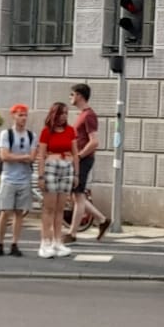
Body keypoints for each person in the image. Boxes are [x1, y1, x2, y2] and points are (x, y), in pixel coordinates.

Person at [33, 101, 77, 257]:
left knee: (60, 208)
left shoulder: (71, 130)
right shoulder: (47, 132)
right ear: (54, 114)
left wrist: (76, 174)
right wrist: (41, 175)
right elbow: (41, 155)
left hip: (66, 168)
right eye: (61, 113)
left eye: (66, 113)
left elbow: (75, 153)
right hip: (51, 167)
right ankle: (45, 242)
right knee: (49, 208)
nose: (64, 116)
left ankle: (57, 242)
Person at [65, 82, 107, 241]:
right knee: (78, 196)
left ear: (79, 95)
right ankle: (103, 220)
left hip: (84, 159)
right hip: (79, 159)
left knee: (78, 195)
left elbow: (94, 142)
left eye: (72, 94)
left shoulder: (89, 115)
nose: (70, 97)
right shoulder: (82, 115)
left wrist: (80, 156)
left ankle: (72, 234)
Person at [0, 102, 36, 257]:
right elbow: (4, 156)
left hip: (24, 178)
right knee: (5, 211)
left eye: (25, 115)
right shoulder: (6, 134)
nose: (23, 118)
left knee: (19, 213)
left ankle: (15, 244)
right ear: (13, 116)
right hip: (9, 178)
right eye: (20, 115)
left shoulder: (31, 135)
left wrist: (17, 157)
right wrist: (23, 157)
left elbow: (32, 157)